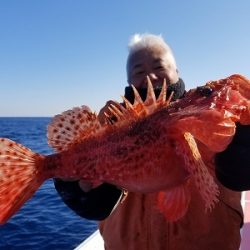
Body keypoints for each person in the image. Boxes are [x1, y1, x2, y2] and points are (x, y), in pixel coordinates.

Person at [54, 33, 243, 250]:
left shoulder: (207, 112)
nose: (151, 77)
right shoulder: (108, 123)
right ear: (128, 80)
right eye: (139, 71)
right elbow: (72, 160)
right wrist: (76, 193)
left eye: (159, 67)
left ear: (177, 71)